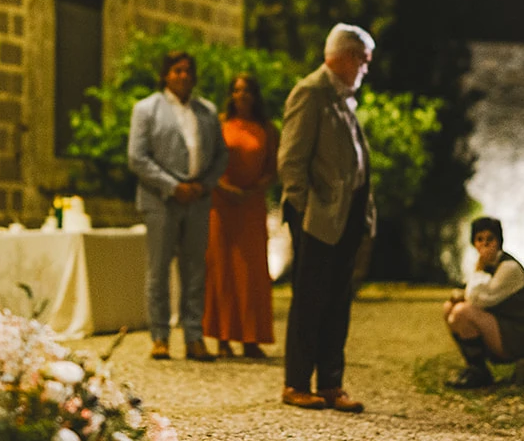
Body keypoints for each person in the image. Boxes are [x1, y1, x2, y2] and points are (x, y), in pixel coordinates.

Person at [277, 24, 376, 413]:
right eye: (364, 60)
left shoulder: (343, 98)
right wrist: (304, 210)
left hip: (345, 217)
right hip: (318, 218)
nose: (367, 68)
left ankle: (331, 383)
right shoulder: (311, 92)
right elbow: (292, 160)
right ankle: (296, 383)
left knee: (338, 301)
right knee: (310, 301)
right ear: (348, 57)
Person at [128, 50, 228, 362]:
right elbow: (137, 157)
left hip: (198, 200)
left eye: (188, 70)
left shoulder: (206, 111)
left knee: (195, 270)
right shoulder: (147, 109)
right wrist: (173, 186)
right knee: (158, 271)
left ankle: (194, 336)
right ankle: (160, 336)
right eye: (177, 70)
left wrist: (203, 185)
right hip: (161, 200)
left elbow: (221, 155)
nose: (183, 76)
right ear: (166, 75)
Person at [204, 73, 278, 358]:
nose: (241, 95)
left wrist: (253, 189)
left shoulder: (266, 129)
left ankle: (251, 336)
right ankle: (223, 336)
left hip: (251, 205)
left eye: (247, 90)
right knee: (221, 269)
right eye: (236, 90)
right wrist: (224, 187)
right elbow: (206, 162)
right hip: (221, 204)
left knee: (251, 270)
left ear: (255, 95)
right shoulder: (220, 124)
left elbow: (272, 168)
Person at [444, 217, 524, 389]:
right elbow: (476, 295)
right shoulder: (490, 265)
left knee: (463, 312)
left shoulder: (508, 268)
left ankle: (479, 372)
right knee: (449, 308)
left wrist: (478, 269)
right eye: (479, 239)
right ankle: (475, 368)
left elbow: (477, 299)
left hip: (522, 336)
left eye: (490, 239)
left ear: (499, 241)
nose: (484, 245)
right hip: (504, 328)